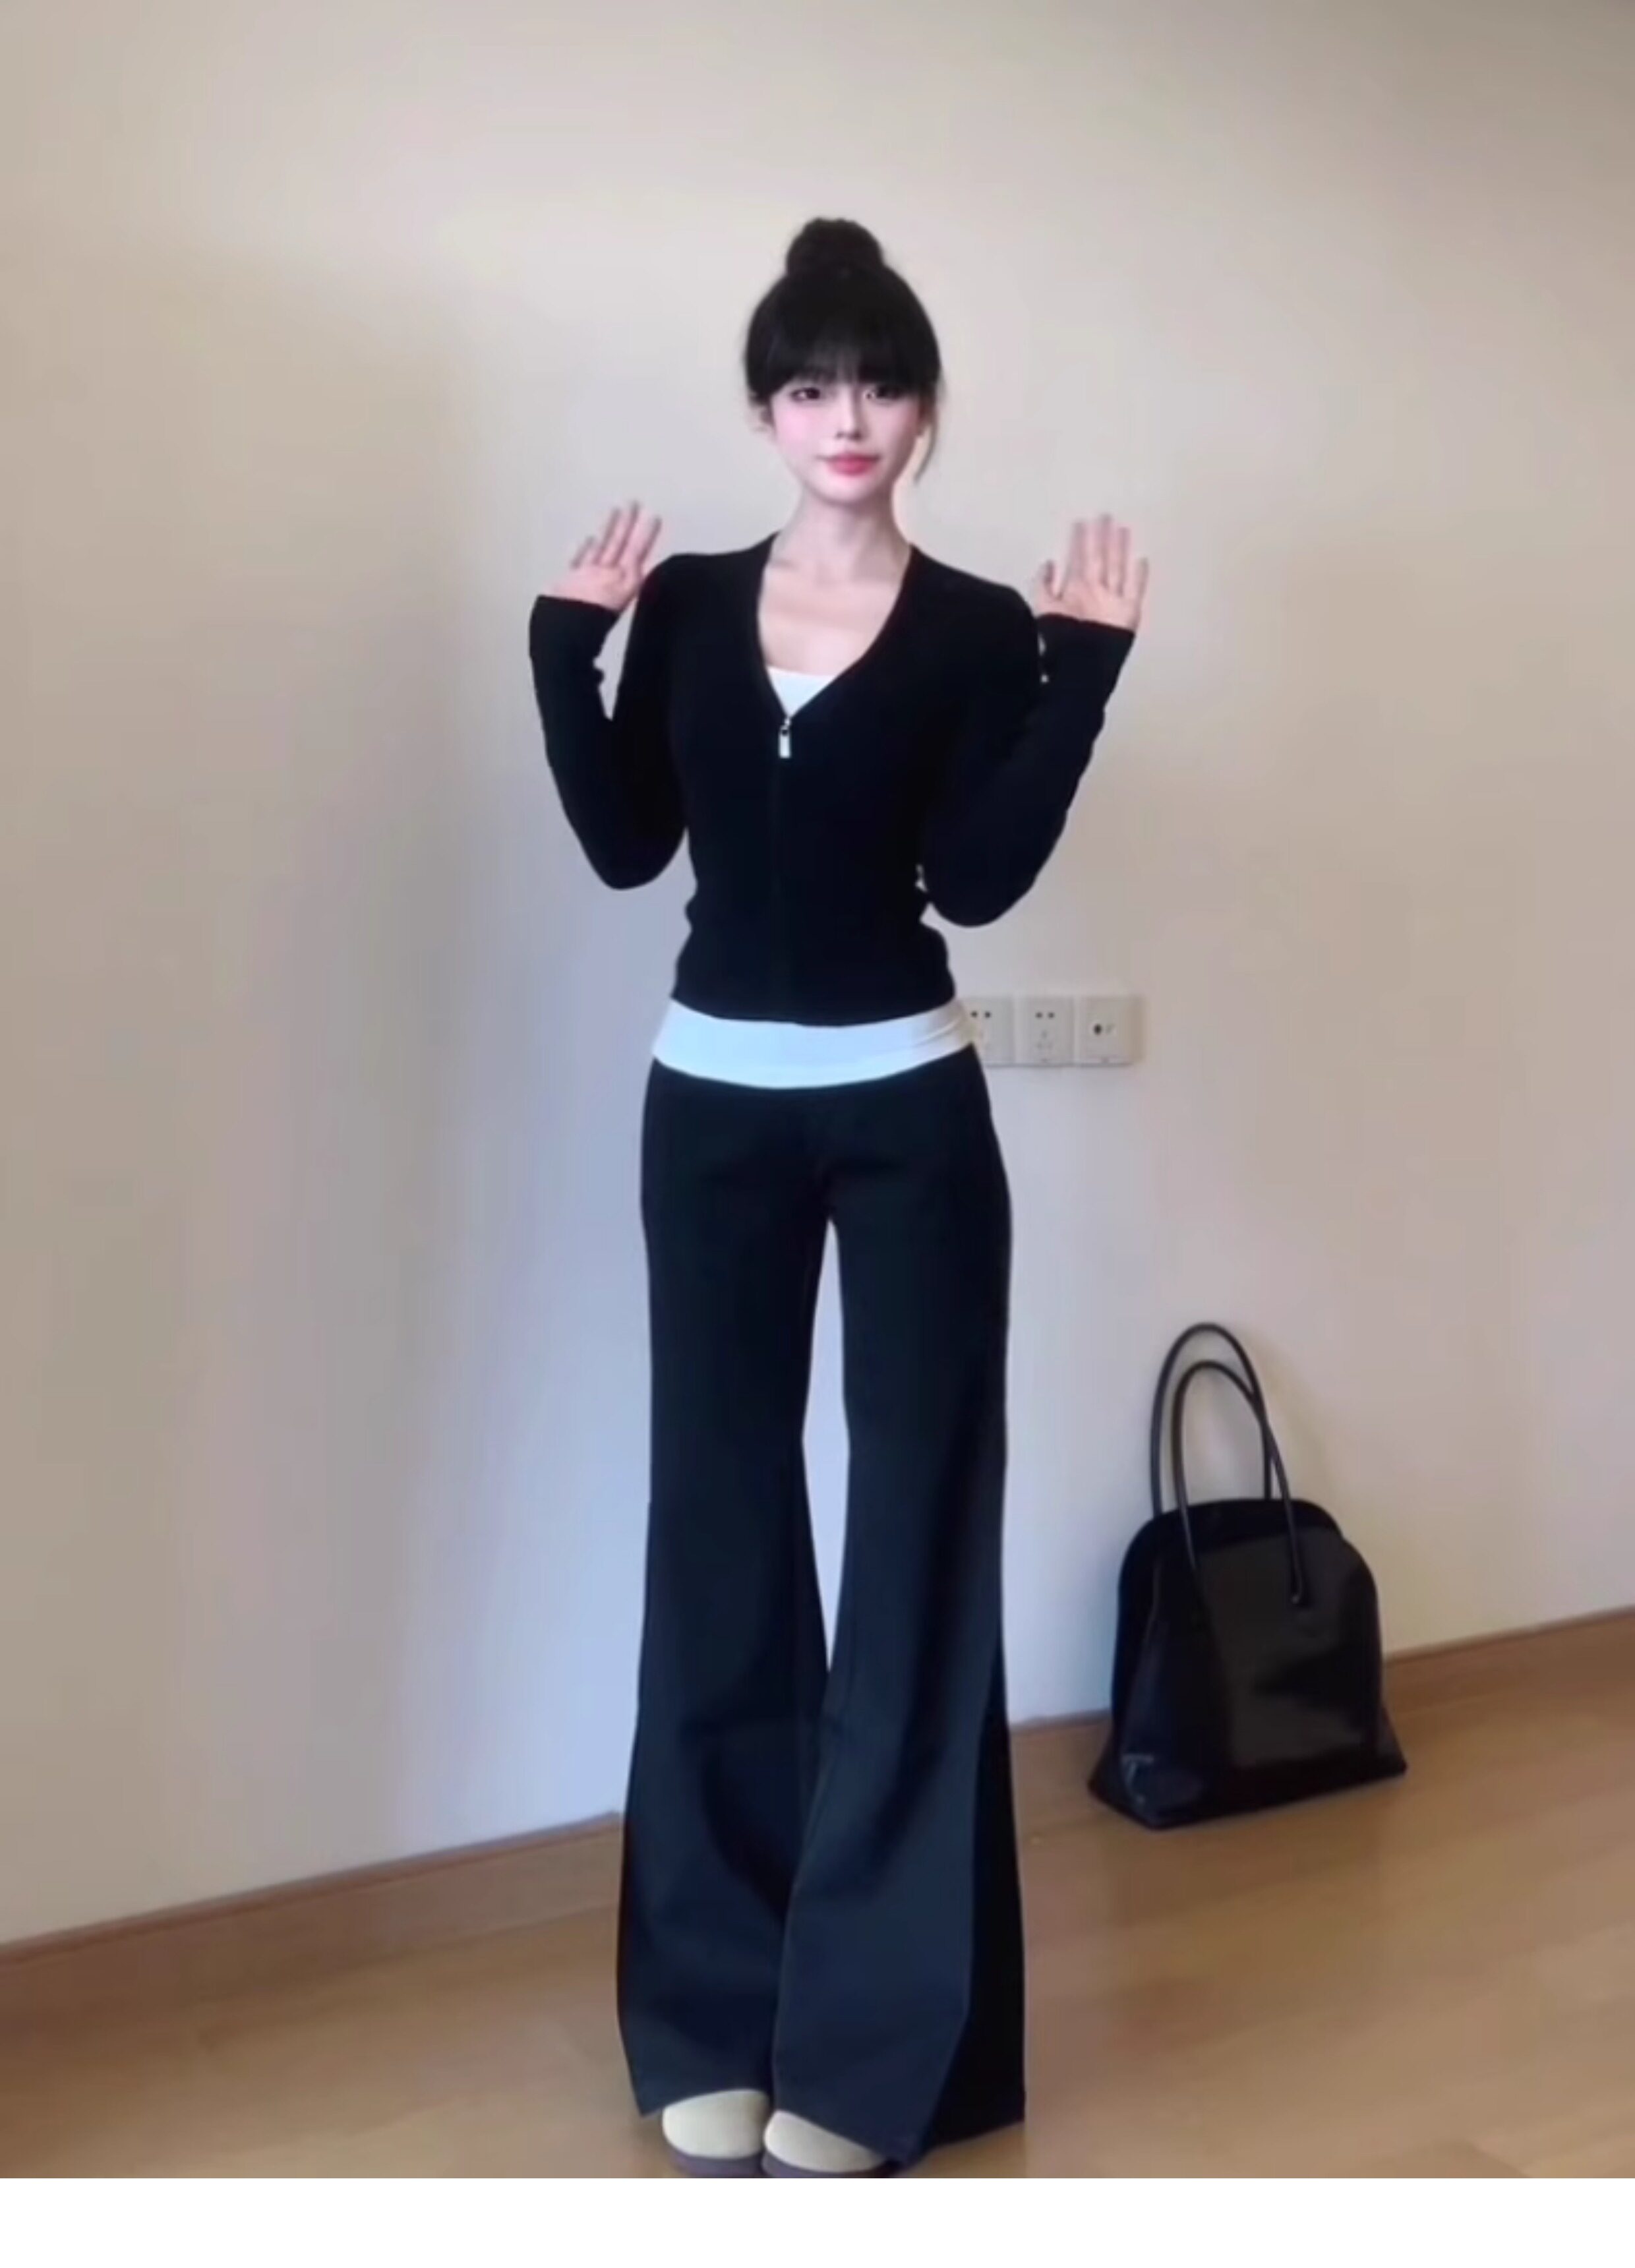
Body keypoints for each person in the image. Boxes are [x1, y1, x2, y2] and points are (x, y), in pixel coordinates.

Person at [527, 218, 1146, 2178]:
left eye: (880, 384)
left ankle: (885, 2049)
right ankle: (712, 2013)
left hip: (907, 1117)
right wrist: (557, 655)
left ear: (927, 408)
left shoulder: (974, 629)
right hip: (710, 1115)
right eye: (810, 386)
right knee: (718, 1534)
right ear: (766, 413)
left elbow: (978, 880)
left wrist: (1083, 678)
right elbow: (627, 846)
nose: (847, 417)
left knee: (914, 1552)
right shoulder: (694, 605)